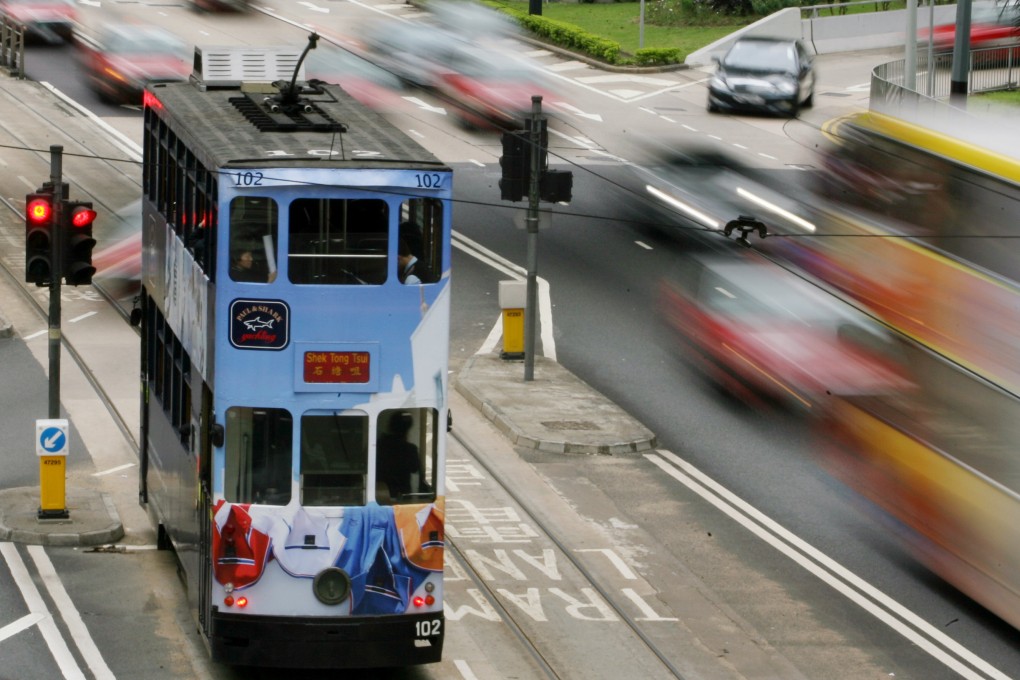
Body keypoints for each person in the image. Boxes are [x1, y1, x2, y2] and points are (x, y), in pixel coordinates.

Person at [376, 411, 423, 501]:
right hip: (402, 494)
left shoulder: (379, 445)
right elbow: (415, 468)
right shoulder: (410, 449)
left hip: (381, 492)